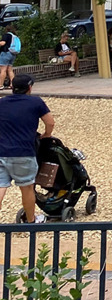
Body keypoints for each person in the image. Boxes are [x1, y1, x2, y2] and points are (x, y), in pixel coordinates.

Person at [0, 74, 54, 223]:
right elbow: (50, 122)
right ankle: (31, 220)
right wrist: (46, 135)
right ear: (29, 87)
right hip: (23, 152)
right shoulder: (36, 102)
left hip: (1, 151)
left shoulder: (1, 102)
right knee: (27, 188)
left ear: (12, 87)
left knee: (0, 186)